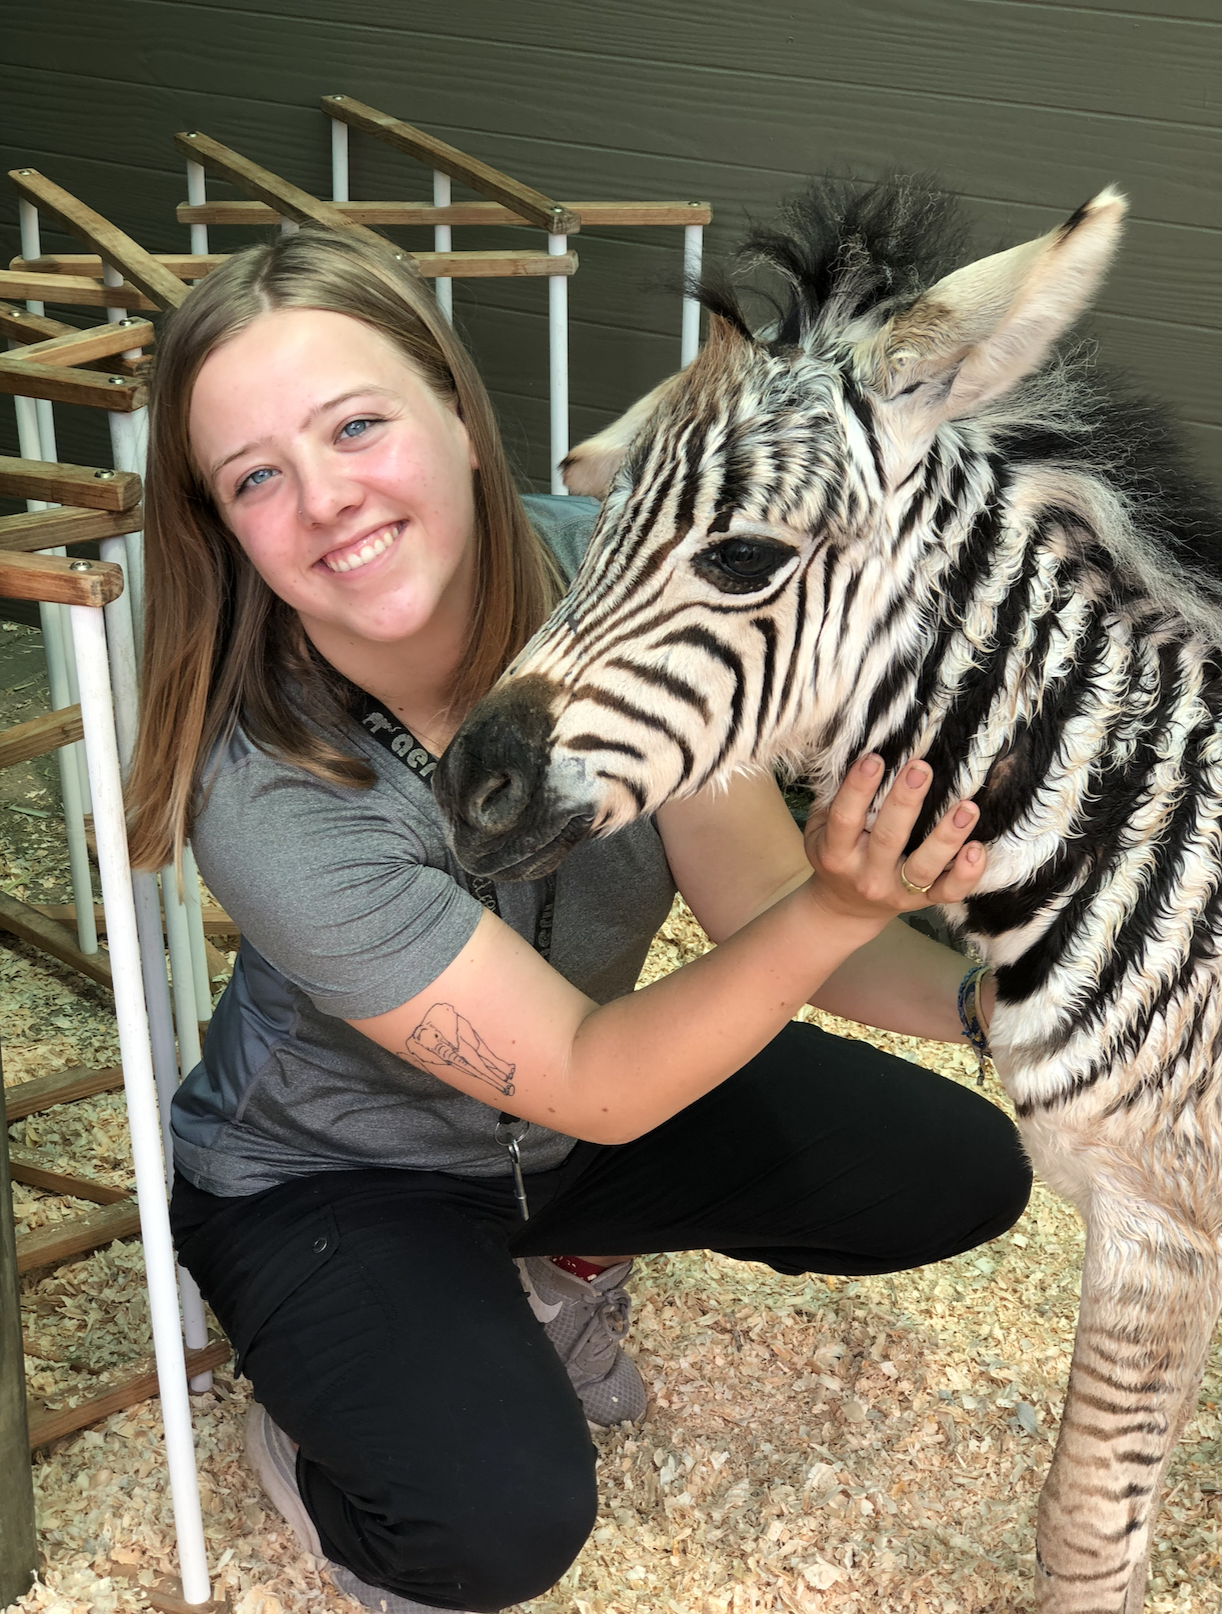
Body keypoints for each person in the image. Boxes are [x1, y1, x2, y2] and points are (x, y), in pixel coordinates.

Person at [126, 226, 1031, 1614]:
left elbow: (754, 903)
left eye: (356, 424)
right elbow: (602, 1082)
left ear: (456, 410)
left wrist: (991, 1007)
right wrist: (849, 900)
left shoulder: (623, 583)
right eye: (256, 476)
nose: (324, 500)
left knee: (960, 1168)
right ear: (223, 526)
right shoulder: (264, 790)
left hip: (568, 1115)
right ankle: (313, 1442)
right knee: (492, 1529)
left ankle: (556, 1267)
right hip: (336, 1176)